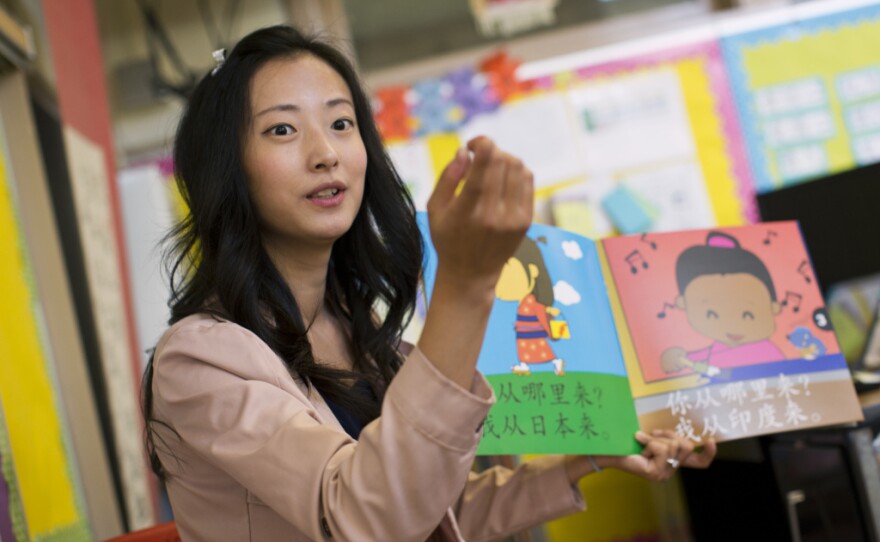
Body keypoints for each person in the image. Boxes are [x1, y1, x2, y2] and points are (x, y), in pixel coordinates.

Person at [143, 25, 716, 542]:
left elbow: (432, 511)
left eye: (341, 123)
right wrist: (466, 286)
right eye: (283, 129)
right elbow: (370, 518)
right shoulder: (198, 359)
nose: (326, 154)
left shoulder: (356, 328)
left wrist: (587, 460)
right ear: (227, 169)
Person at [661, 231, 786, 377]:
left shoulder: (768, 353)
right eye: (712, 314)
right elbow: (699, 360)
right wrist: (677, 359)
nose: (733, 325)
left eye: (748, 315)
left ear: (773, 307)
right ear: (684, 303)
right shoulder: (718, 348)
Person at [494, 236, 566, 376]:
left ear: (532, 272)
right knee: (524, 350)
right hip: (525, 333)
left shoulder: (531, 302)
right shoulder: (522, 302)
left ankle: (556, 363)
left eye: (506, 274)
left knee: (541, 351)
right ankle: (525, 365)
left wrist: (549, 312)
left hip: (533, 333)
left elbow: (539, 311)